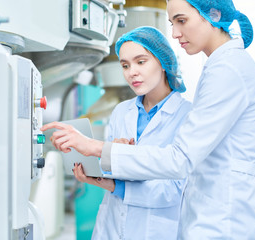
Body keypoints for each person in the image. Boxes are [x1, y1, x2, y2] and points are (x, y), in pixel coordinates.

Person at [42, 0, 255, 239]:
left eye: (182, 20)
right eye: (125, 65)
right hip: (208, 219)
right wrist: (105, 171)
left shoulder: (227, 71)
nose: (175, 33)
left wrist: (95, 147)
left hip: (224, 224)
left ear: (213, 13)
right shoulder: (218, 68)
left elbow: (179, 160)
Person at [72, 26, 191, 240]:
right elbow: (109, 170)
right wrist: (100, 170)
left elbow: (174, 190)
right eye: (125, 65)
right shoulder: (121, 111)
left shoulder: (187, 116)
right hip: (111, 227)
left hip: (155, 230)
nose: (131, 72)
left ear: (163, 62)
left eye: (141, 62)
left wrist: (117, 180)